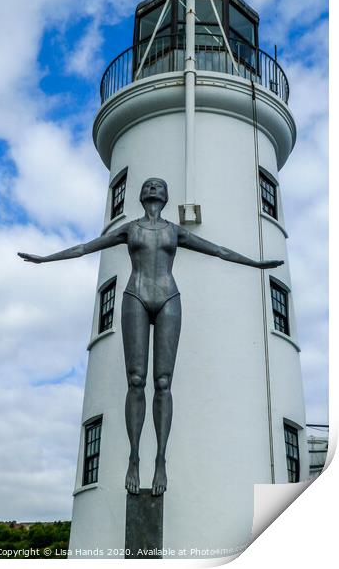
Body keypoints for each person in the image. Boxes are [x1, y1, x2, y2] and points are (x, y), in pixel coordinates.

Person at [18, 177, 283, 496]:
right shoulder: (130, 229)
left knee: (162, 382)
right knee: (136, 378)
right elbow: (85, 246)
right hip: (135, 296)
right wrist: (45, 258)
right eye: (148, 185)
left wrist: (255, 264)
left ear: (167, 195)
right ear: (141, 195)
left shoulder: (175, 230)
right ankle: (133, 457)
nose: (154, 187)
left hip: (169, 298)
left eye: (159, 185)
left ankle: (160, 460)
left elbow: (218, 250)